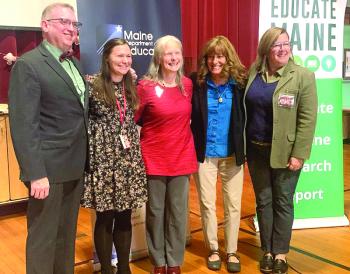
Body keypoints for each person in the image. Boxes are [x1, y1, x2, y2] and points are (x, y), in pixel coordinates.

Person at [8, 3, 87, 274]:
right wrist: (35, 173)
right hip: (48, 173)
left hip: (74, 167)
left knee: (66, 238)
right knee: (43, 240)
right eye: (63, 21)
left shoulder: (74, 63)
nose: (70, 28)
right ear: (45, 25)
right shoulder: (28, 65)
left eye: (74, 24)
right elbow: (23, 125)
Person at [244, 27, 317, 274]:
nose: (283, 49)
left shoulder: (302, 76)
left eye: (286, 43)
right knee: (263, 202)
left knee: (283, 202)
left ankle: (281, 254)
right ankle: (267, 250)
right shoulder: (254, 72)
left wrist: (299, 154)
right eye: (277, 45)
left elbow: (307, 119)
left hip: (286, 153)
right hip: (255, 151)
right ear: (266, 49)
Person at [81, 38, 147, 274]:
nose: (125, 60)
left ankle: (125, 268)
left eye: (128, 56)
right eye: (120, 55)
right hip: (104, 161)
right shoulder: (91, 84)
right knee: (105, 216)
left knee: (125, 215)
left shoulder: (131, 84)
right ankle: (107, 269)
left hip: (128, 160)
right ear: (107, 57)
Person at [135, 35, 198, 274]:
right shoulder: (146, 87)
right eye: (168, 54)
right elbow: (133, 119)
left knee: (178, 214)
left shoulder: (188, 86)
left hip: (182, 158)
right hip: (154, 159)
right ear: (159, 59)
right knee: (155, 212)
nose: (173, 58)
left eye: (177, 53)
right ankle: (158, 262)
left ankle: (174, 262)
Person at [190, 35, 247, 273]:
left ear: (228, 57)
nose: (215, 61)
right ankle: (213, 248)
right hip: (205, 154)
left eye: (220, 56)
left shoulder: (240, 83)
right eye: (211, 56)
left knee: (233, 205)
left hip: (232, 155)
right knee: (206, 203)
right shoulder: (197, 82)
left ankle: (231, 251)